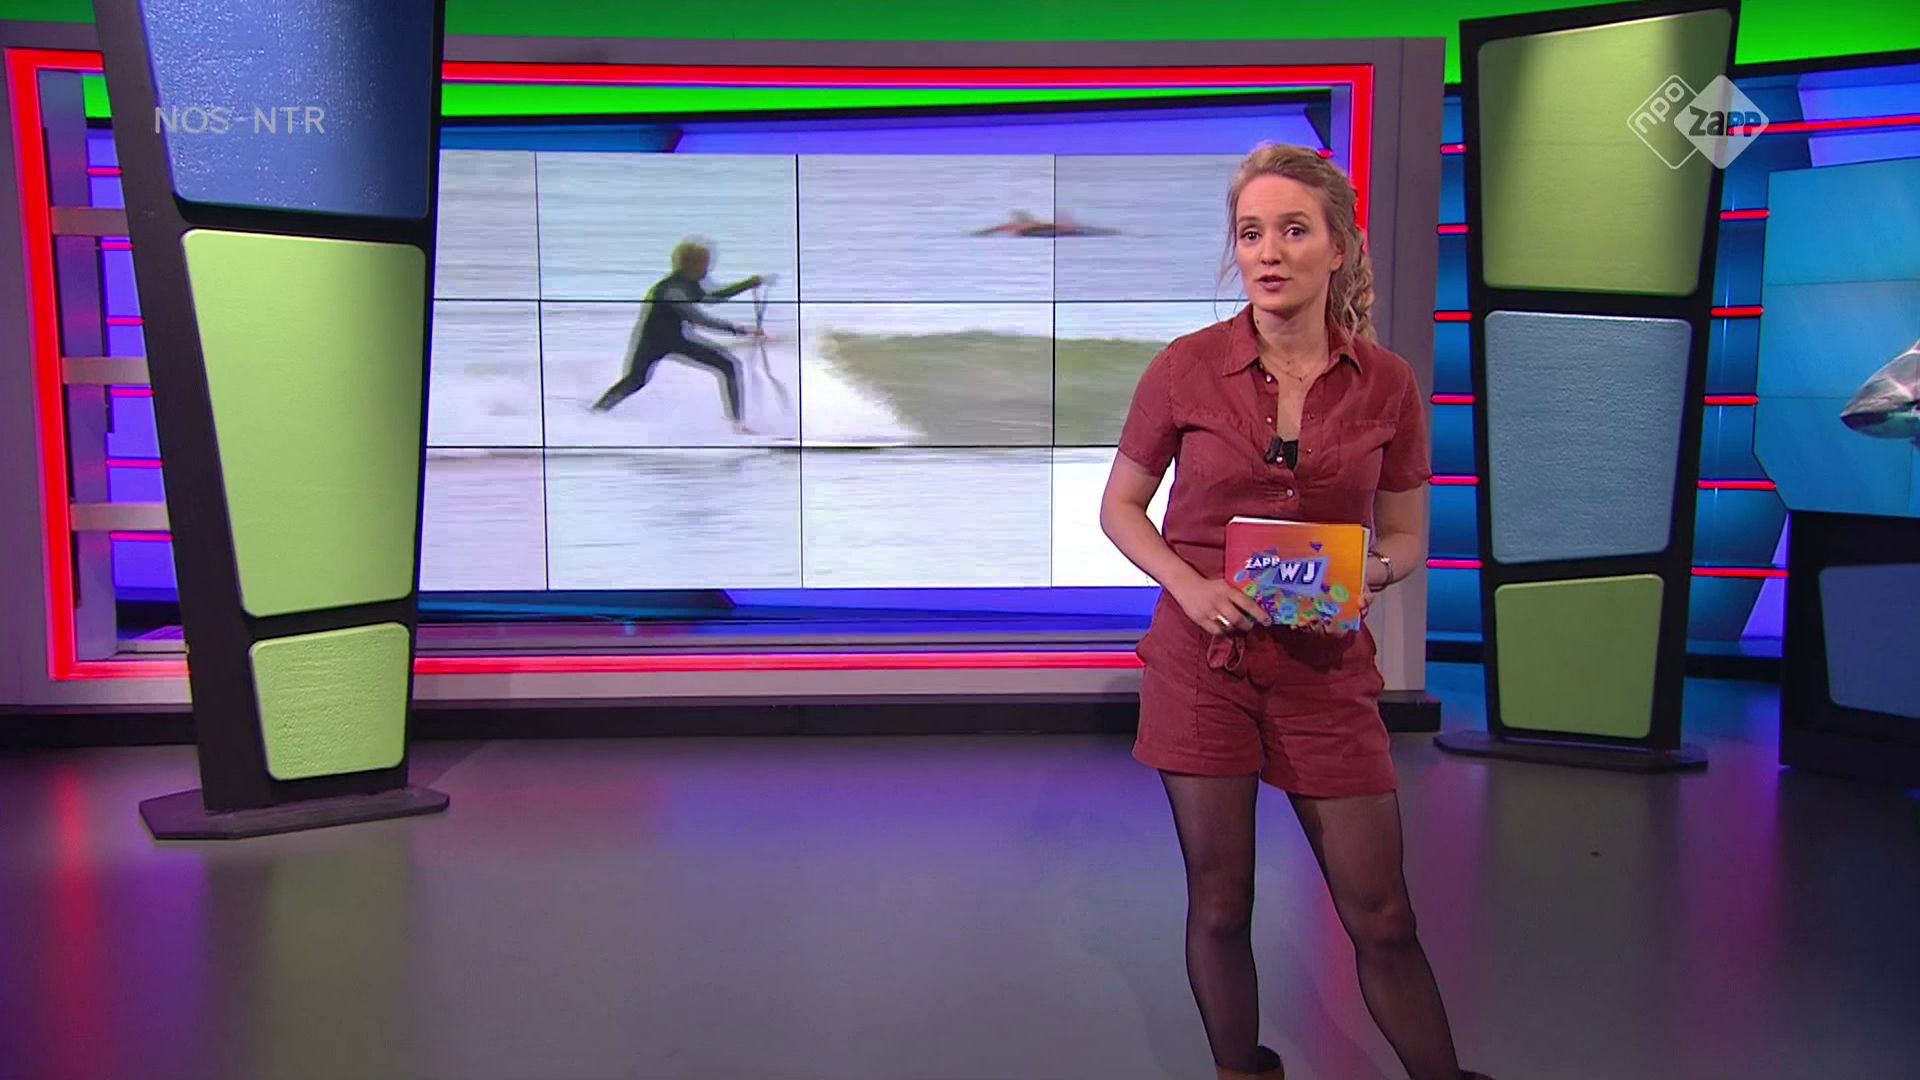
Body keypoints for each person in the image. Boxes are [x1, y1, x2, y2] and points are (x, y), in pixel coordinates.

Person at [1098, 144, 1491, 1080]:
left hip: (1326, 671)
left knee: (1382, 915)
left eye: (1292, 230)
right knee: (1220, 904)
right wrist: (1191, 587)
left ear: (1339, 247)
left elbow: (1407, 534)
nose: (1268, 252)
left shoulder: (1387, 383)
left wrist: (1371, 574)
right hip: (1204, 670)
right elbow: (1121, 508)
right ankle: (1243, 1070)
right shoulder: (1184, 369)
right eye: (1250, 234)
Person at [591, 240, 773, 435]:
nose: (708, 268)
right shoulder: (671, 290)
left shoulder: (688, 283)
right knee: (636, 380)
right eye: (704, 264)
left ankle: (738, 425)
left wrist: (749, 283)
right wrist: (741, 330)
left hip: (676, 340)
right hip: (652, 342)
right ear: (692, 265)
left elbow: (713, 298)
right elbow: (698, 318)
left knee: (728, 365)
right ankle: (595, 414)